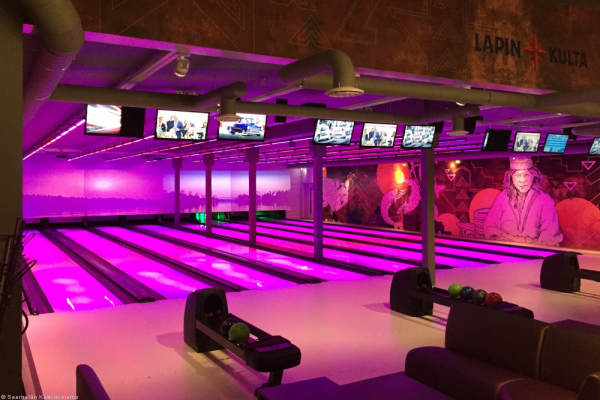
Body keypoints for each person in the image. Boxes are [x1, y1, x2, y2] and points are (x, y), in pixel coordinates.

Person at [483, 157, 563, 246]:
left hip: (534, 250)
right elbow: (490, 227)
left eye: (526, 175)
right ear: (511, 177)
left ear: (534, 176)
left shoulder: (544, 199)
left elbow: (551, 232)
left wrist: (535, 248)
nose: (522, 180)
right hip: (505, 248)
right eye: (517, 175)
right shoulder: (502, 197)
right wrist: (500, 241)